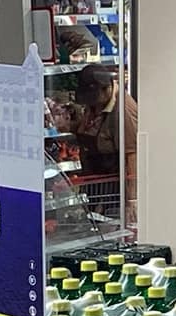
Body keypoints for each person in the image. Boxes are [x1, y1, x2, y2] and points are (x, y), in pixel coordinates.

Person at [55, 62, 138, 230]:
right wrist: (70, 126)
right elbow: (89, 128)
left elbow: (132, 155)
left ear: (107, 89)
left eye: (93, 98)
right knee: (95, 225)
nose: (91, 104)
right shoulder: (96, 104)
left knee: (111, 228)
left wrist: (132, 199)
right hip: (95, 182)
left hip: (114, 187)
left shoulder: (123, 112)